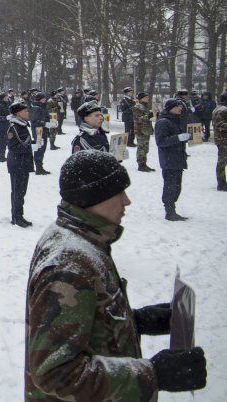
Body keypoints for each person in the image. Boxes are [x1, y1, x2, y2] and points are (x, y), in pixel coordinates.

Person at [25, 150, 207, 401]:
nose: (127, 201)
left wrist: (135, 322)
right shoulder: (70, 264)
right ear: (93, 197)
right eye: (117, 193)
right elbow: (55, 373)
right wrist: (154, 374)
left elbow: (85, 321)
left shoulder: (79, 238)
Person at [155, 98, 190, 221]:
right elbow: (161, 141)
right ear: (171, 108)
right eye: (178, 106)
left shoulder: (175, 120)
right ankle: (169, 212)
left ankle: (172, 209)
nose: (180, 108)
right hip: (169, 160)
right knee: (170, 187)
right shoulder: (163, 122)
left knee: (177, 187)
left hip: (177, 159)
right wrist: (178, 138)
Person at [6, 100, 37, 227]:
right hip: (17, 163)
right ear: (18, 113)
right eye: (25, 111)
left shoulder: (22, 125)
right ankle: (16, 217)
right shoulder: (14, 128)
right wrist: (30, 147)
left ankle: (20, 215)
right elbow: (13, 147)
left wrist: (32, 144)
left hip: (24, 163)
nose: (27, 112)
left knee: (22, 191)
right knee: (17, 191)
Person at [133, 92, 155, 172]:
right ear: (141, 98)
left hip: (146, 130)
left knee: (145, 148)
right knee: (141, 148)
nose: (147, 99)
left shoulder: (145, 107)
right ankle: (141, 165)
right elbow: (138, 119)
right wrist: (148, 116)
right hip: (140, 130)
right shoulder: (138, 107)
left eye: (147, 97)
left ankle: (144, 163)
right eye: (145, 97)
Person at [29, 93, 50, 175]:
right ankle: (38, 168)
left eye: (45, 98)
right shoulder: (36, 108)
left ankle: (40, 167)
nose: (45, 99)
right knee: (39, 149)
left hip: (42, 130)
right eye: (43, 98)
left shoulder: (42, 107)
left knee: (42, 149)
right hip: (38, 131)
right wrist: (45, 124)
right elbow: (34, 121)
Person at [212, 92, 227, 191]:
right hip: (223, 139)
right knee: (222, 161)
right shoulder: (222, 110)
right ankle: (221, 183)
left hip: (221, 139)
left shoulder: (220, 109)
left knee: (222, 160)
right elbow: (220, 124)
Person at [0, 93, 11, 162]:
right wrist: (6, 118)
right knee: (2, 141)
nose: (7, 99)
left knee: (7, 141)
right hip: (1, 126)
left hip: (7, 125)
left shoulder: (7, 104)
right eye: (6, 97)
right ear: (2, 98)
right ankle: (1, 157)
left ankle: (5, 155)